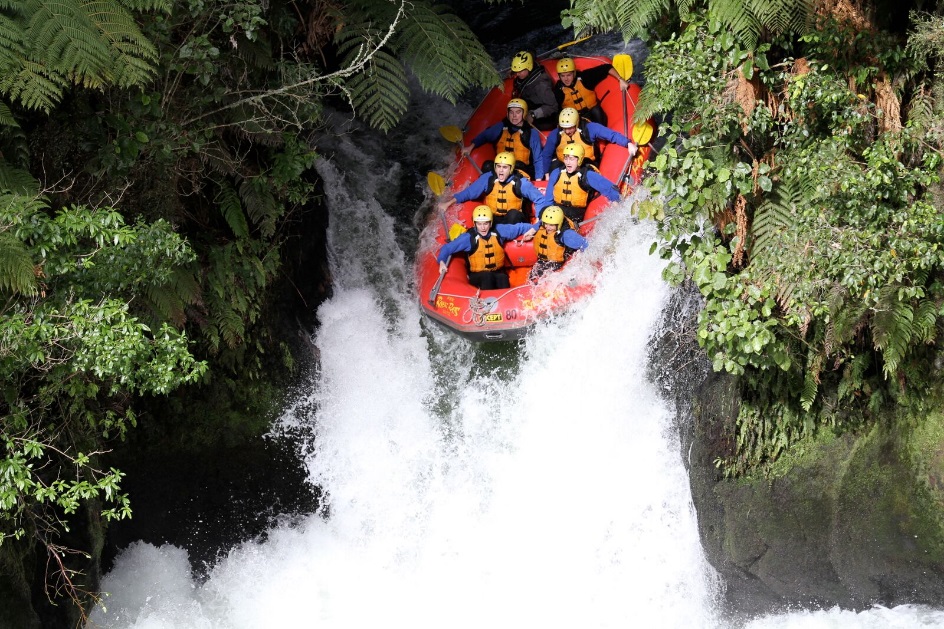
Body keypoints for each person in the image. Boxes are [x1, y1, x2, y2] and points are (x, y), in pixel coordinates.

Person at [436, 205, 537, 290]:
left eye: (486, 223)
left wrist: (536, 227)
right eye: (479, 224)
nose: (483, 227)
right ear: (475, 224)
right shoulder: (468, 238)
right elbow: (447, 248)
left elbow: (520, 228)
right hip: (477, 275)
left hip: (497, 271)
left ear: (491, 223)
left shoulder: (500, 230)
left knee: (503, 278)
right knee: (487, 276)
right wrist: (441, 262)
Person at [439, 152, 549, 224]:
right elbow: (469, 192)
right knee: (480, 216)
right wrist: (448, 203)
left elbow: (539, 199)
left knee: (513, 215)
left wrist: (539, 220)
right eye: (499, 167)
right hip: (494, 219)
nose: (501, 170)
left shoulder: (521, 182)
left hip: (515, 220)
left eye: (505, 167)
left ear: (511, 169)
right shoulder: (488, 178)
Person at [539, 107, 636, 177]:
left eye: (570, 128)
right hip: (565, 164)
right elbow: (546, 154)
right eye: (564, 128)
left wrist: (628, 143)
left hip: (586, 164)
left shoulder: (590, 128)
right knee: (555, 166)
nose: (567, 131)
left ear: (576, 123)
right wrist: (547, 174)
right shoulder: (555, 134)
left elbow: (611, 135)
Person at [542, 142, 621, 224]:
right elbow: (548, 200)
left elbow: (609, 188)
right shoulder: (556, 173)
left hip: (575, 213)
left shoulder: (587, 175)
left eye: (571, 159)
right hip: (556, 210)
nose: (568, 163)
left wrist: (616, 202)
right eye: (566, 158)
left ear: (579, 160)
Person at [465, 98, 544, 179]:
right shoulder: (500, 127)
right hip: (502, 168)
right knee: (487, 165)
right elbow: (485, 135)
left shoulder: (531, 133)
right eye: (511, 112)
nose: (514, 116)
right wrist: (471, 147)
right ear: (507, 113)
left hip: (522, 171)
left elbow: (538, 159)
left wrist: (538, 179)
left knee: (517, 165)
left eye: (518, 112)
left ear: (524, 113)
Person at [553, 57, 629, 125]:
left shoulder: (585, 77)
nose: (566, 79)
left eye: (569, 75)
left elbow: (607, 67)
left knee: (596, 111)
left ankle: (602, 134)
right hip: (576, 119)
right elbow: (555, 110)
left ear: (574, 73)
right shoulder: (558, 90)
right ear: (559, 76)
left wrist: (620, 79)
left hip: (594, 113)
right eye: (563, 76)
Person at [529, 205, 588, 281]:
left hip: (560, 263)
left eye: (551, 225)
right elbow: (541, 222)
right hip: (545, 261)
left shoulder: (567, 235)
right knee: (534, 275)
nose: (547, 227)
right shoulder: (546, 223)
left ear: (559, 224)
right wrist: (533, 229)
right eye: (546, 224)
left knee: (539, 275)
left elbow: (586, 246)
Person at [510, 50, 558, 131]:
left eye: (520, 71)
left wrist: (533, 114)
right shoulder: (525, 74)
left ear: (529, 67)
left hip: (545, 116)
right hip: (530, 104)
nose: (517, 74)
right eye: (516, 71)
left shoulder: (541, 85)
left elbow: (553, 106)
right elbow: (531, 52)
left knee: (519, 126)